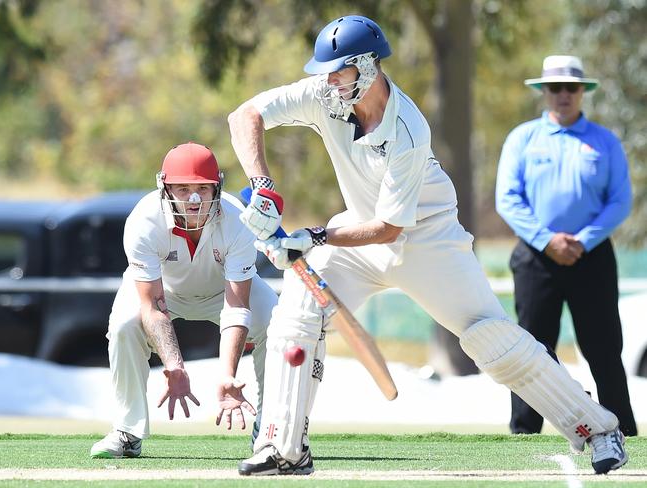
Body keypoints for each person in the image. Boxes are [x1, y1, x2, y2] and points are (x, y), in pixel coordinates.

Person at [228, 16, 628, 476]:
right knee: (296, 313)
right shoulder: (323, 94)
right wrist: (261, 185)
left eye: (338, 70)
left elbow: (390, 229)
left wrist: (312, 237)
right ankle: (285, 447)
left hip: (426, 238)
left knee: (492, 341)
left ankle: (598, 429)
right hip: (357, 234)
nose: (328, 80)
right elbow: (245, 116)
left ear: (368, 67)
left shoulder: (408, 129)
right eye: (326, 71)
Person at [90, 142, 278, 458]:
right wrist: (175, 367)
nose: (193, 199)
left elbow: (236, 306)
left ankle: (272, 429)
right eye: (183, 188)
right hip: (167, 294)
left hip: (223, 293)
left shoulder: (239, 221)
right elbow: (152, 306)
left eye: (202, 189)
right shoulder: (143, 222)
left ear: (217, 186)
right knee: (124, 326)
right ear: (165, 187)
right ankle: (127, 431)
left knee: (280, 325)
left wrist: (227, 374)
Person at [495, 55, 637, 438]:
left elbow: (620, 200)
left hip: (591, 258)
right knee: (531, 351)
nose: (563, 95)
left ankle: (622, 430)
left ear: (582, 92)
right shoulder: (522, 138)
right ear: (543, 92)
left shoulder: (604, 142)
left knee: (604, 348)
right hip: (535, 257)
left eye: (570, 88)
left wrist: (583, 240)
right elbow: (507, 199)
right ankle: (524, 432)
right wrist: (547, 240)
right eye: (554, 88)